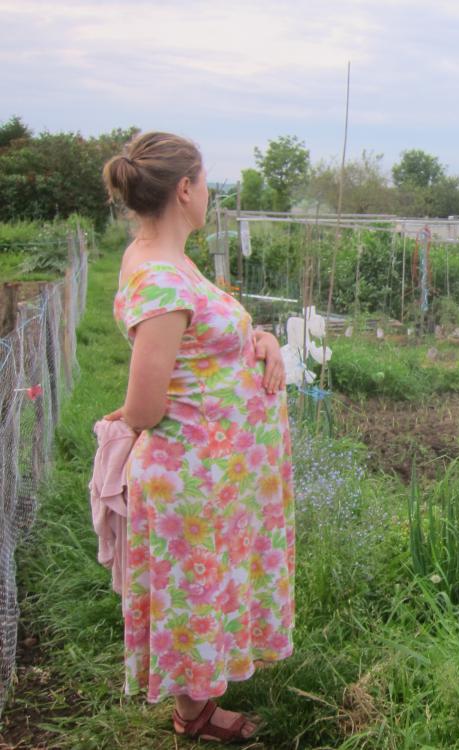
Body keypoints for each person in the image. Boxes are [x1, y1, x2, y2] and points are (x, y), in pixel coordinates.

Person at [100, 132, 295, 743]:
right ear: (185, 189)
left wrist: (256, 340)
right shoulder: (159, 276)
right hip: (191, 477)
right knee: (194, 594)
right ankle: (194, 717)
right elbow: (146, 403)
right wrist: (125, 423)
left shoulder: (168, 260)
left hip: (216, 474)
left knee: (206, 587)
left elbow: (199, 343)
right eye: (205, 182)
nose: (208, 193)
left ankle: (199, 701)